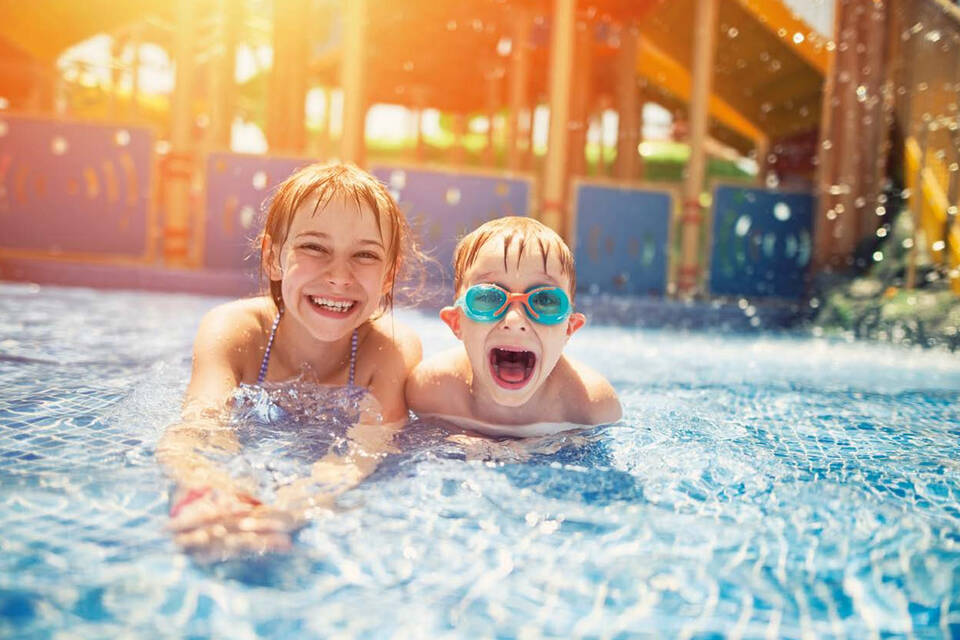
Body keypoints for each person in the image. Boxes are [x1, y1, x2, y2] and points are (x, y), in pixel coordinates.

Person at [157, 162, 423, 557]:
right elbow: (198, 426)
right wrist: (212, 490)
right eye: (314, 248)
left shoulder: (388, 351)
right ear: (273, 256)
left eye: (365, 255)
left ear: (388, 276)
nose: (339, 276)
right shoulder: (235, 332)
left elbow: (364, 451)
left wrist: (293, 507)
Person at [405, 217, 621, 437]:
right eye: (488, 297)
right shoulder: (430, 392)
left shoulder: (591, 409)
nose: (515, 321)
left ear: (569, 329)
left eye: (544, 300)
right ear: (457, 321)